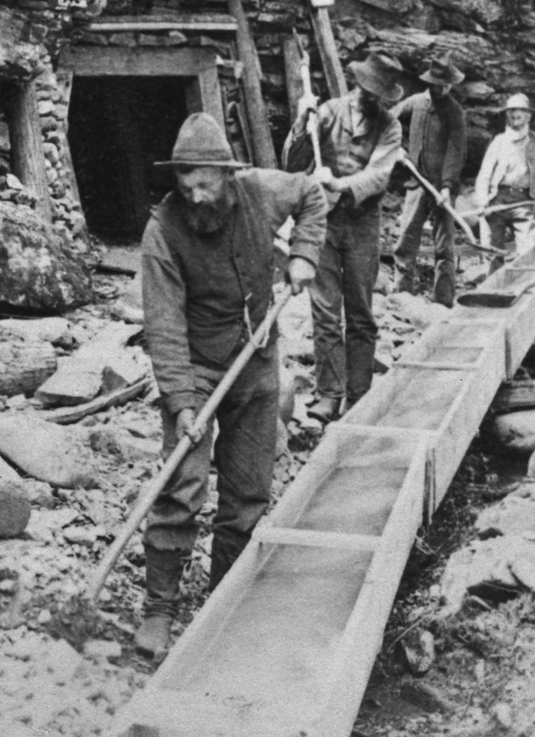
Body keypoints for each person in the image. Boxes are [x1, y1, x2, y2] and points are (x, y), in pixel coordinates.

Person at [139, 112, 327, 659]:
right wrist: (181, 403)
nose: (195, 197)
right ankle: (160, 608)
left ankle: (222, 600)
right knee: (181, 486)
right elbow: (164, 327)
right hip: (196, 365)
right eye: (185, 186)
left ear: (226, 175)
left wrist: (303, 254)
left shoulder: (261, 192)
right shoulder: (162, 232)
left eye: (204, 184)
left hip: (256, 358)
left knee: (247, 492)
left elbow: (312, 193)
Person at [284, 53, 403, 423]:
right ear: (358, 85)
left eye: (379, 95)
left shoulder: (390, 126)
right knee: (325, 311)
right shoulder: (328, 112)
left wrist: (338, 183)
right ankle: (328, 394)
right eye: (368, 91)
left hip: (363, 224)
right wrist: (301, 122)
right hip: (322, 221)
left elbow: (379, 175)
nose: (372, 98)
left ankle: (359, 395)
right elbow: (292, 162)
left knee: (361, 313)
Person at [391, 57, 467, 305]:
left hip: (442, 189)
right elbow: (389, 119)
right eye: (439, 84)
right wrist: (396, 146)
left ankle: (443, 301)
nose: (443, 89)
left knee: (444, 248)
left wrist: (446, 187)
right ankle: (402, 295)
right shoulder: (416, 103)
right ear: (431, 82)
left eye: (447, 85)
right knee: (406, 242)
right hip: (416, 184)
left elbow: (456, 151)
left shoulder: (454, 111)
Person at [475, 93, 535, 272]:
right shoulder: (499, 141)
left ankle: (523, 286)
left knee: (528, 251)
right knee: (491, 250)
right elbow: (484, 174)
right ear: (506, 115)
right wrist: (482, 201)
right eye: (511, 111)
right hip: (496, 200)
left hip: (523, 202)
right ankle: (492, 285)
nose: (515, 114)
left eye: (521, 111)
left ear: (528, 116)